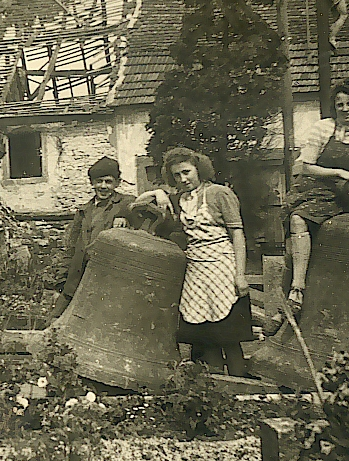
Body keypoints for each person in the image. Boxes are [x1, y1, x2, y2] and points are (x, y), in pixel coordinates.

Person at [271, 78, 349, 334]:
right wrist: (339, 172)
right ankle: (296, 291)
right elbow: (304, 166)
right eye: (339, 104)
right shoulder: (323, 129)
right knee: (298, 220)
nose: (345, 109)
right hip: (313, 186)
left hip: (343, 193)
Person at [135, 148, 252, 376]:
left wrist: (240, 274)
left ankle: (240, 382)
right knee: (205, 334)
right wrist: (159, 192)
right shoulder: (180, 199)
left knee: (228, 333)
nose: (183, 179)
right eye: (176, 175)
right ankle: (214, 384)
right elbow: (137, 203)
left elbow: (238, 234)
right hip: (196, 267)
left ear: (200, 169)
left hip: (222, 264)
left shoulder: (219, 193)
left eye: (187, 172)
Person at [51, 156, 135, 318]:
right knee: (55, 320)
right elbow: (70, 248)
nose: (103, 186)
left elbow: (141, 203)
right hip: (77, 276)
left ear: (117, 183)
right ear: (92, 183)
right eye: (99, 181)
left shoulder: (125, 203)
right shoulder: (83, 211)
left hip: (106, 277)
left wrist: (125, 214)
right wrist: (60, 284)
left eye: (109, 182)